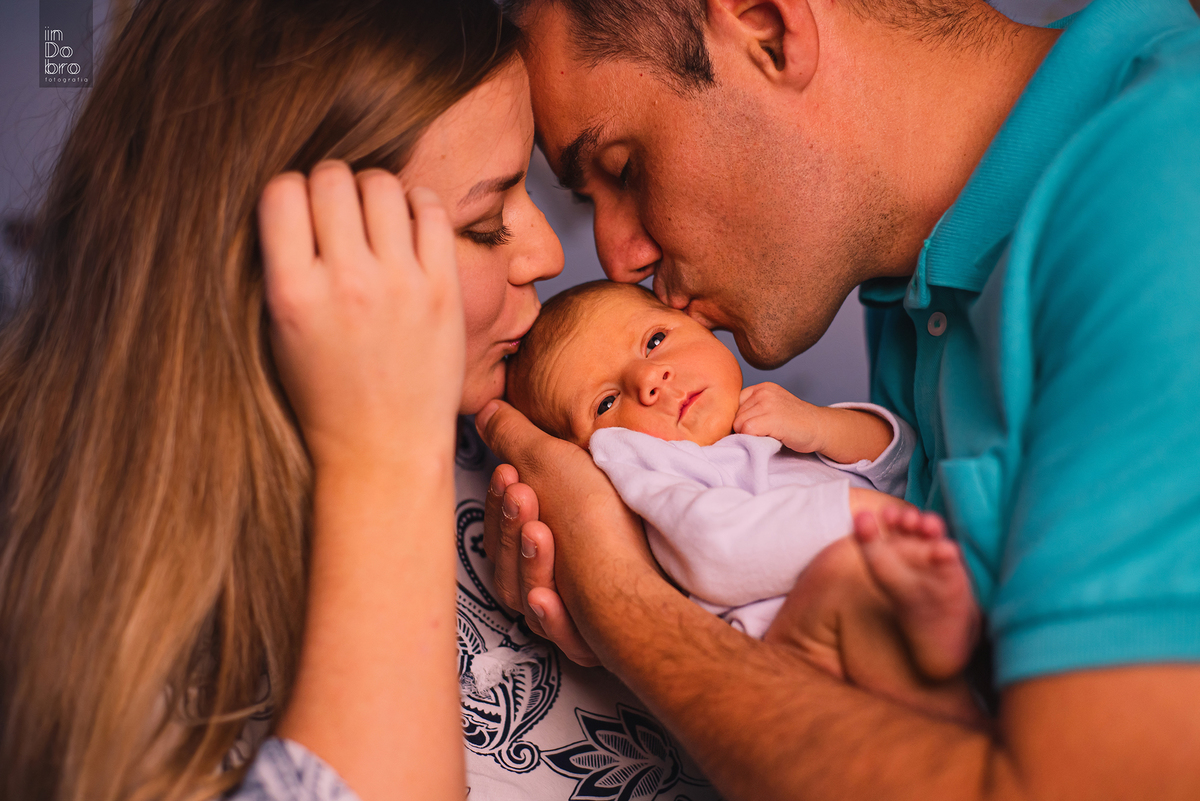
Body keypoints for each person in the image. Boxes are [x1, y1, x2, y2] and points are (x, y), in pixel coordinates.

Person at [478, 0, 1200, 798]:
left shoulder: (1164, 189)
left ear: (767, 31)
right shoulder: (915, 306)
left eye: (623, 167)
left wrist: (625, 602)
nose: (619, 261)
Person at [2, 2, 715, 800]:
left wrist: (637, 604)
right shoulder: (122, 615)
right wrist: (383, 459)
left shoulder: (526, 426)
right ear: (292, 267)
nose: (550, 254)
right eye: (486, 222)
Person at [505, 279, 980, 690]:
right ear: (592, 454)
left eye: (654, 341)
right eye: (606, 403)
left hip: (889, 616)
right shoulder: (654, 469)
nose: (650, 378)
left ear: (701, 327)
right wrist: (855, 516)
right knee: (841, 579)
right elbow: (712, 550)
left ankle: (940, 651)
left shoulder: (772, 425)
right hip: (798, 658)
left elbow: (905, 468)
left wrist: (823, 427)